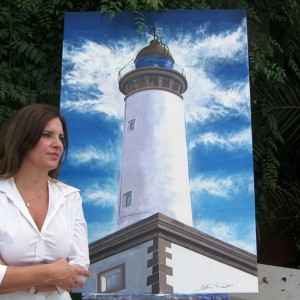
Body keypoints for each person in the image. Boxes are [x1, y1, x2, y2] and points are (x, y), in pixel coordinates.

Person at [0, 104, 90, 299]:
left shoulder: (70, 197)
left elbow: (79, 272)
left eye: (61, 138)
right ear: (23, 138)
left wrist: (14, 278)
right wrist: (52, 273)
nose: (57, 144)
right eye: (47, 135)